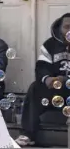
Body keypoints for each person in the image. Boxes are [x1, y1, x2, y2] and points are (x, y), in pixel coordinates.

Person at [15, 13, 70, 147]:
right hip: (56, 91)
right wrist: (47, 79)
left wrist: (65, 78)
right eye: (67, 27)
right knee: (35, 87)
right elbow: (41, 67)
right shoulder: (50, 45)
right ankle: (28, 133)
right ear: (60, 29)